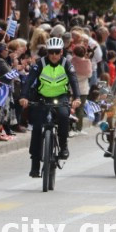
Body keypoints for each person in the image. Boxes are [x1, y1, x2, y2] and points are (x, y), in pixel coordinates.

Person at [19, 37, 81, 178]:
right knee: (37, 128)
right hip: (42, 98)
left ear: (61, 52)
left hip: (61, 97)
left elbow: (74, 81)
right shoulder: (40, 63)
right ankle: (35, 165)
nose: (53, 55)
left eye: (57, 52)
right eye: (51, 52)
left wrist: (77, 98)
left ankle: (63, 146)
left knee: (64, 116)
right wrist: (24, 97)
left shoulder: (66, 64)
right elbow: (29, 81)